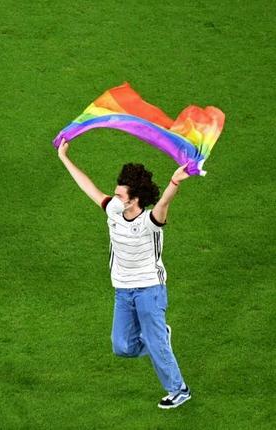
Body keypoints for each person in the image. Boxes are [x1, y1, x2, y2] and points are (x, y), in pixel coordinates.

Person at [57, 138, 192, 409]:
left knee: (154, 343)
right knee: (122, 347)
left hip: (150, 290)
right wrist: (64, 158)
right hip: (122, 290)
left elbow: (165, 202)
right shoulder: (113, 210)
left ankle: (179, 389)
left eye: (120, 195)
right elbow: (88, 187)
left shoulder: (150, 222)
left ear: (136, 199)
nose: (115, 198)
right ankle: (159, 338)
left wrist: (175, 181)